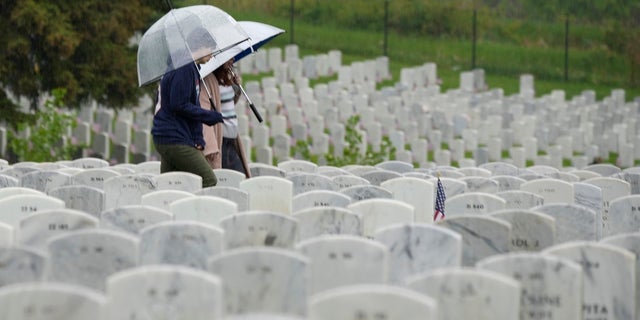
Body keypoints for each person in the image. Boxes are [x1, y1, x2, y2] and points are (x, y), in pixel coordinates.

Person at [151, 28, 224, 188]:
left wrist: (197, 138)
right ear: (200, 46)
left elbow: (192, 103)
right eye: (210, 49)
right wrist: (208, 116)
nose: (212, 55)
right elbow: (180, 104)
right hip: (173, 137)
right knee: (208, 180)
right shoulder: (183, 67)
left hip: (170, 136)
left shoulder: (189, 66)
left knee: (169, 185)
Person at [200, 58, 251, 178]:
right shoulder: (208, 81)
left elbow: (228, 103)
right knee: (230, 179)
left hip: (232, 139)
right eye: (228, 58)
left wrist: (236, 87)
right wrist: (210, 145)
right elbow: (205, 113)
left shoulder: (226, 77)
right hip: (221, 139)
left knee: (239, 178)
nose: (232, 60)